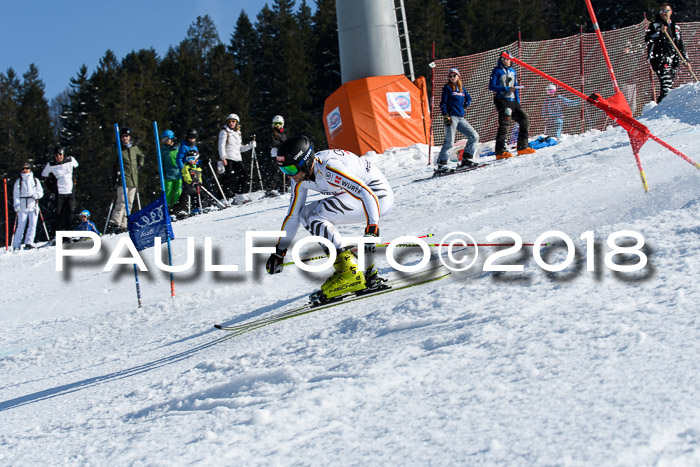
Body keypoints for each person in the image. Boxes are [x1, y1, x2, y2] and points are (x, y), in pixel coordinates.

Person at [265, 136, 394, 303]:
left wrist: (372, 229)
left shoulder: (329, 168)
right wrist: (279, 251)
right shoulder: (301, 178)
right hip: (357, 195)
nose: (289, 176)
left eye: (290, 170)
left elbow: (366, 193)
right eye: (284, 171)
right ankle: (347, 264)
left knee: (315, 216)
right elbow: (293, 215)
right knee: (305, 214)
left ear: (304, 162)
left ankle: (349, 272)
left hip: (377, 196)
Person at [489, 53, 536, 159]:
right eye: (503, 59)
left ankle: (523, 147)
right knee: (505, 121)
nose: (506, 61)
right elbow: (492, 86)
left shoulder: (513, 71)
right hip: (502, 99)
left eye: (507, 59)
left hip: (513, 100)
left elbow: (515, 87)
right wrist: (505, 89)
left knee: (524, 119)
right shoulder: (497, 71)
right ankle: (500, 151)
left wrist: (517, 101)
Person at [645, 3, 691, 104]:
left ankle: (662, 106)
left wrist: (686, 60)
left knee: (669, 88)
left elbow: (680, 45)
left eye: (666, 11)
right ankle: (660, 107)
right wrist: (659, 33)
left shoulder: (676, 28)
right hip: (660, 59)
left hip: (673, 59)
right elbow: (648, 40)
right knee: (666, 86)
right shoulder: (654, 25)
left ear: (671, 12)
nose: (664, 13)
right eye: (661, 11)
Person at [436, 68, 480, 171]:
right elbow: (442, 103)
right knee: (449, 141)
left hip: (460, 117)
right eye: (450, 76)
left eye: (454, 75)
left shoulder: (461, 89)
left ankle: (467, 159)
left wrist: (466, 105)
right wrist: (445, 115)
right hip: (451, 117)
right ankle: (442, 164)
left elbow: (468, 98)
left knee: (474, 136)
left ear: (458, 76)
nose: (452, 78)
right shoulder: (447, 88)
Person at [109, 127, 145, 233]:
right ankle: (116, 222)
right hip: (123, 178)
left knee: (129, 203)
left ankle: (124, 224)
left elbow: (141, 155)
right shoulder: (118, 148)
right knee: (122, 202)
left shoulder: (134, 147)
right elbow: (111, 163)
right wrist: (114, 176)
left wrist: (139, 165)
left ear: (130, 137)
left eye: (127, 136)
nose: (125, 138)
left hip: (134, 180)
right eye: (123, 136)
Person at [41, 146, 78, 236]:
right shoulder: (51, 165)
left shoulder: (70, 160)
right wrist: (51, 188)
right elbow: (44, 176)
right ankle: (57, 234)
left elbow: (77, 168)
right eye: (56, 155)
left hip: (70, 192)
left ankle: (70, 233)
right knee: (58, 214)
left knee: (71, 212)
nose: (58, 157)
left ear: (63, 154)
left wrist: (75, 180)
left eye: (60, 154)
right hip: (59, 193)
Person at [218, 114, 256, 201]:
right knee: (227, 177)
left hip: (237, 157)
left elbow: (239, 148)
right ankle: (222, 198)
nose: (231, 123)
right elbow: (221, 146)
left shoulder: (238, 133)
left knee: (244, 174)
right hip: (228, 157)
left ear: (236, 122)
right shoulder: (224, 132)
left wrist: (250, 146)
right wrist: (223, 157)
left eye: (233, 121)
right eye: (229, 121)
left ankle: (239, 194)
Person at [12, 163, 44, 250]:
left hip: (33, 205)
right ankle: (16, 244)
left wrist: (36, 195)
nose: (25, 170)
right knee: (21, 226)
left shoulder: (35, 180)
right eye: (23, 169)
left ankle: (29, 242)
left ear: (30, 169)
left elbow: (40, 192)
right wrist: (16, 205)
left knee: (33, 225)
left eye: (27, 168)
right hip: (22, 206)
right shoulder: (19, 182)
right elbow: (16, 195)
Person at [173, 149, 203, 217]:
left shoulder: (198, 168)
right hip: (188, 186)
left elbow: (199, 177)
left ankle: (198, 207)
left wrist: (200, 182)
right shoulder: (186, 167)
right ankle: (177, 211)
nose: (190, 160)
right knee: (184, 199)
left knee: (201, 196)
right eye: (188, 159)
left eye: (192, 158)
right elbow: (186, 176)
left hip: (196, 187)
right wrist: (191, 182)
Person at [159, 130, 182, 207]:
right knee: (168, 194)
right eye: (163, 139)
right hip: (168, 176)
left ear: (171, 138)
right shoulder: (163, 150)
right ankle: (168, 209)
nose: (165, 141)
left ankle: (177, 208)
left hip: (179, 175)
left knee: (178, 193)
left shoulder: (178, 148)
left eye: (166, 139)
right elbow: (161, 162)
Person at [268, 115, 288, 194]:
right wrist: (281, 145)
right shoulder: (273, 133)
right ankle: (270, 188)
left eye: (279, 123)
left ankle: (285, 186)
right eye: (276, 124)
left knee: (285, 169)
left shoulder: (283, 133)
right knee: (275, 171)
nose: (277, 125)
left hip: (283, 154)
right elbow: (273, 143)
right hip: (275, 154)